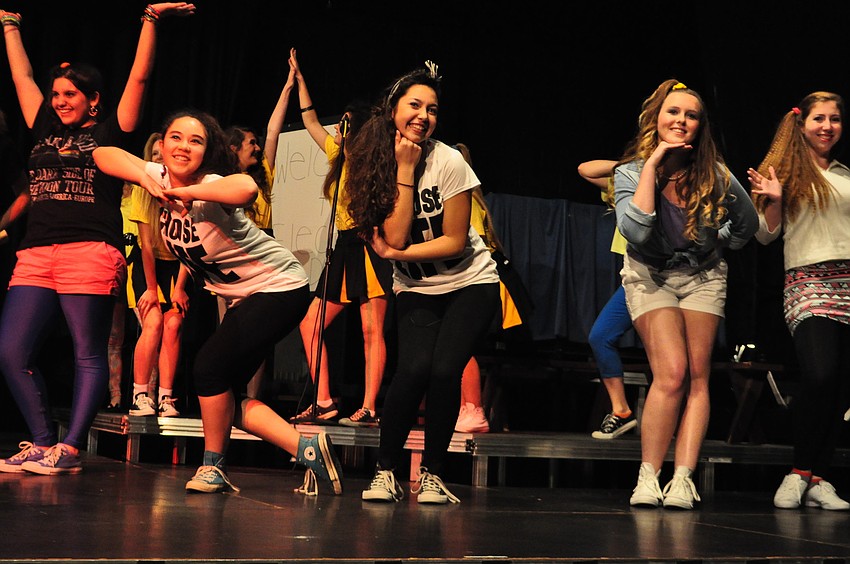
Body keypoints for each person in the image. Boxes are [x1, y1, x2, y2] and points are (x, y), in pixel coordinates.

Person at [93, 109, 343, 495]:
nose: (183, 146)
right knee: (223, 390)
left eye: (196, 141)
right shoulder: (156, 176)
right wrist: (146, 176)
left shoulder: (211, 186)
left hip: (281, 286)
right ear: (162, 144)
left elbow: (245, 188)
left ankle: (212, 467)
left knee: (208, 369)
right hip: (249, 295)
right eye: (175, 137)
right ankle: (306, 448)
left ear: (207, 153)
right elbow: (103, 154)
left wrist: (187, 193)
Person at [0, 3, 196, 476]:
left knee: (87, 351)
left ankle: (68, 448)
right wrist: (9, 24)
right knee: (10, 352)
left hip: (91, 249)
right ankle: (42, 440)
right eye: (57, 94)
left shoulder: (112, 130)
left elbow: (140, 81)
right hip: (36, 252)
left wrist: (150, 18)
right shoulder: (43, 128)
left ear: (94, 100)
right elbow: (22, 77)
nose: (60, 101)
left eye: (71, 94)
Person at [348, 61, 500, 504]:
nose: (423, 116)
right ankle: (385, 472)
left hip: (470, 281)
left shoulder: (450, 160)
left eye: (432, 109)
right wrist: (406, 171)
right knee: (412, 370)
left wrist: (397, 256)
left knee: (444, 370)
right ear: (392, 108)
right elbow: (393, 234)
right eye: (414, 105)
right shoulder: (368, 162)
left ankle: (433, 473)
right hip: (416, 287)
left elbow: (454, 241)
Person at [613, 79, 758, 509]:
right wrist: (654, 164)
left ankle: (682, 478)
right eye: (673, 112)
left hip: (703, 276)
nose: (681, 121)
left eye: (691, 115)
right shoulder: (629, 172)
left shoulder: (715, 175)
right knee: (671, 372)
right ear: (656, 119)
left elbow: (747, 224)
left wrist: (721, 241)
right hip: (649, 275)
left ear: (700, 126)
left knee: (698, 374)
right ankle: (647, 476)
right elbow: (635, 230)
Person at [748, 92, 850, 511]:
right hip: (808, 282)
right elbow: (764, 235)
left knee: (841, 388)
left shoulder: (845, 174)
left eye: (835, 119)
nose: (827, 126)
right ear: (801, 123)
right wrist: (773, 202)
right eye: (819, 119)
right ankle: (798, 471)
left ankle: (818, 478)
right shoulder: (784, 172)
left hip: (849, 283)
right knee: (821, 375)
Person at [288, 48, 393, 428]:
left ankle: (368, 407)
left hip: (370, 245)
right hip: (344, 246)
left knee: (371, 330)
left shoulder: (377, 160)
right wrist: (300, 82)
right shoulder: (339, 153)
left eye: (346, 122)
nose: (338, 127)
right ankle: (324, 400)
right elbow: (311, 121)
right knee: (310, 322)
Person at [223, 63, 296, 401]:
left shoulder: (262, 174)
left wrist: (287, 88)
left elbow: (273, 129)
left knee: (261, 335)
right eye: (250, 143)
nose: (256, 147)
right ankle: (228, 395)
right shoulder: (221, 184)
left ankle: (251, 400)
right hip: (234, 258)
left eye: (256, 143)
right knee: (231, 331)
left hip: (264, 253)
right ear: (234, 149)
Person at [454, 142, 532, 434]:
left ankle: (473, 409)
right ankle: (466, 408)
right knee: (456, 346)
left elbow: (467, 244)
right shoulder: (469, 199)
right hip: (474, 278)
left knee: (461, 345)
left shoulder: (465, 200)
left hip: (476, 279)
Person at [128, 131, 190, 417]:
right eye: (152, 155)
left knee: (174, 325)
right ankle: (140, 394)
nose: (157, 160)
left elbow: (188, 247)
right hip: (149, 265)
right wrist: (151, 290)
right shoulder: (143, 189)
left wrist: (179, 287)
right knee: (152, 321)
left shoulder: (185, 190)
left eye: (160, 154)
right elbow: (147, 248)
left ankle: (166, 397)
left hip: (178, 264)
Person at [578, 159, 637, 439]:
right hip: (635, 280)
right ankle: (621, 410)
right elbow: (585, 170)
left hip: (668, 279)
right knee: (600, 336)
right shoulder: (630, 180)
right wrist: (633, 164)